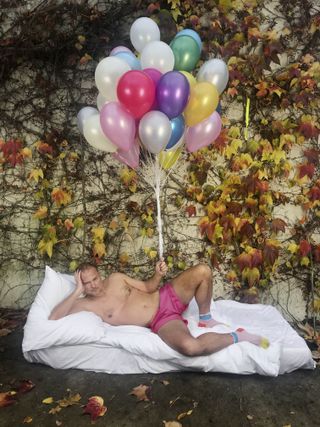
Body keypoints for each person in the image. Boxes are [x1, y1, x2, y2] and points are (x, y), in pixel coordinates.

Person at [49, 260, 269, 356]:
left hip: (166, 296)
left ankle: (206, 318)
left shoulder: (116, 279)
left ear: (100, 274)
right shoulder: (85, 304)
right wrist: (76, 291)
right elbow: (54, 317)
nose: (93, 284)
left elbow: (149, 287)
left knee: (203, 271)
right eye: (86, 282)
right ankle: (240, 337)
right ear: (81, 285)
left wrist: (158, 274)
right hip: (161, 321)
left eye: (94, 278)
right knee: (191, 348)